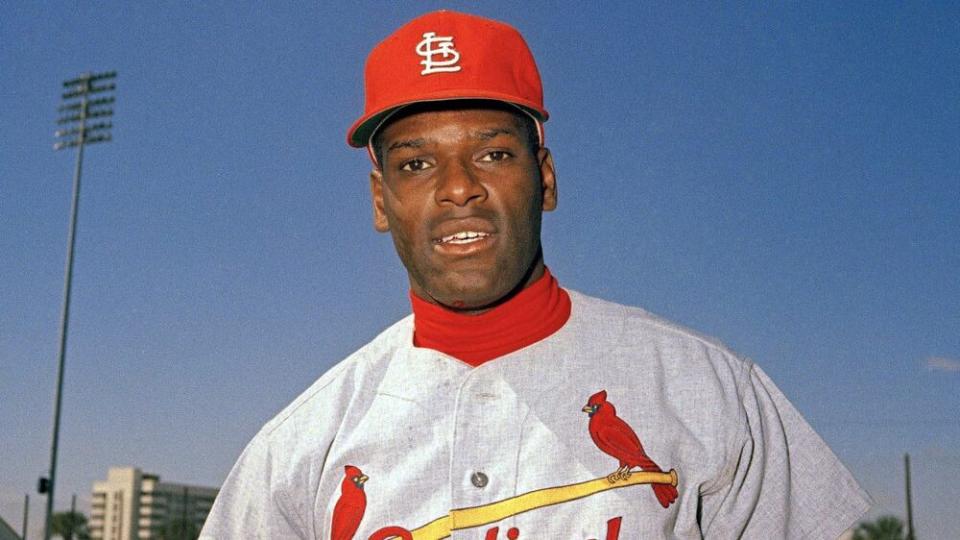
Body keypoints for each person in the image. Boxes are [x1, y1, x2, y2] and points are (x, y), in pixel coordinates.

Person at [201, 10, 870, 539]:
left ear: (544, 179)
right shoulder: (297, 451)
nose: (458, 188)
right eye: (416, 164)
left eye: (493, 153)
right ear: (381, 201)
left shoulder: (705, 388)